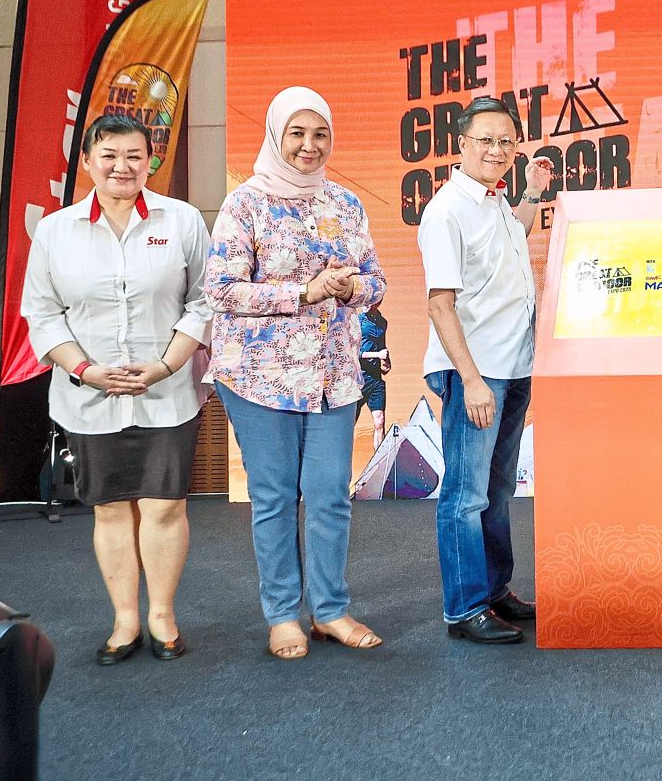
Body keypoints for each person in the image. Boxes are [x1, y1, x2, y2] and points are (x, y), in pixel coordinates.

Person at [21, 114, 212, 665]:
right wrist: (84, 369)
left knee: (164, 506)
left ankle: (162, 617)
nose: (122, 166)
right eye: (109, 156)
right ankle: (125, 620)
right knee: (109, 510)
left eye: (135, 155)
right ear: (87, 162)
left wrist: (165, 366)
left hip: (167, 391)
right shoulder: (57, 230)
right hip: (88, 395)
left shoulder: (180, 221)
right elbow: (42, 313)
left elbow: (203, 301)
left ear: (149, 161)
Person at [206, 87, 386, 659]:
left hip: (333, 375)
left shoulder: (345, 204)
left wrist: (353, 286)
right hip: (259, 377)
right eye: (298, 134)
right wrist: (301, 292)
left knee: (331, 493)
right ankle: (283, 614)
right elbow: (221, 290)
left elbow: (376, 281)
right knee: (275, 496)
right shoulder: (245, 204)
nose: (310, 147)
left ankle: (330, 610)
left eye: (320, 135)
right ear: (276, 136)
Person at [418, 96, 553, 644]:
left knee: (497, 492)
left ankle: (495, 592)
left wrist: (531, 197)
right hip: (476, 372)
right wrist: (471, 380)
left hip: (514, 365)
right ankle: (464, 607)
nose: (497, 150)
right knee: (466, 495)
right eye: (486, 141)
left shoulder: (494, 201)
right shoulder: (447, 209)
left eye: (506, 141)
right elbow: (439, 303)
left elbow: (513, 235)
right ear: (463, 145)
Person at [358, 303, 390, 449]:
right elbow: (353, 352)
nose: (365, 303)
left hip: (375, 378)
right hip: (358, 379)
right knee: (349, 422)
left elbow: (382, 346)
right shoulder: (356, 321)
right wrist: (377, 355)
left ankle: (379, 462)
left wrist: (386, 361)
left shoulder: (382, 322)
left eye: (370, 300)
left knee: (379, 421)